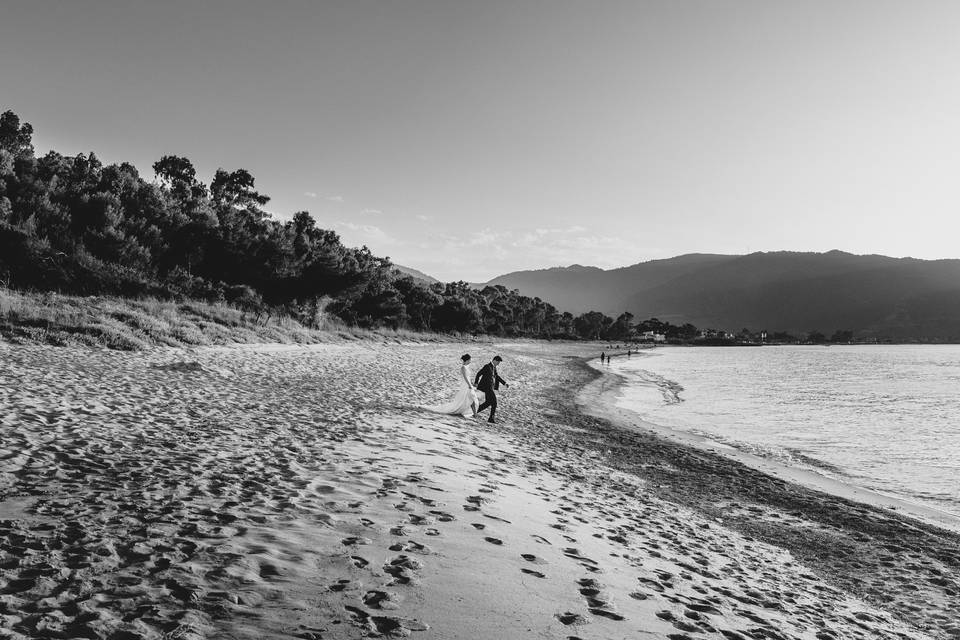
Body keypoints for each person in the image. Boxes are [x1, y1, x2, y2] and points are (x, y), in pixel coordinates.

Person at [474, 356, 508, 423]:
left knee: (488, 402)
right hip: (486, 387)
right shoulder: (487, 366)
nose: (498, 364)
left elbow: (497, 377)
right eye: (498, 362)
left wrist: (504, 383)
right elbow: (479, 373)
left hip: (490, 387)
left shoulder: (494, 368)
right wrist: (476, 382)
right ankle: (491, 419)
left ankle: (474, 411)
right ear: (494, 360)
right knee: (494, 403)